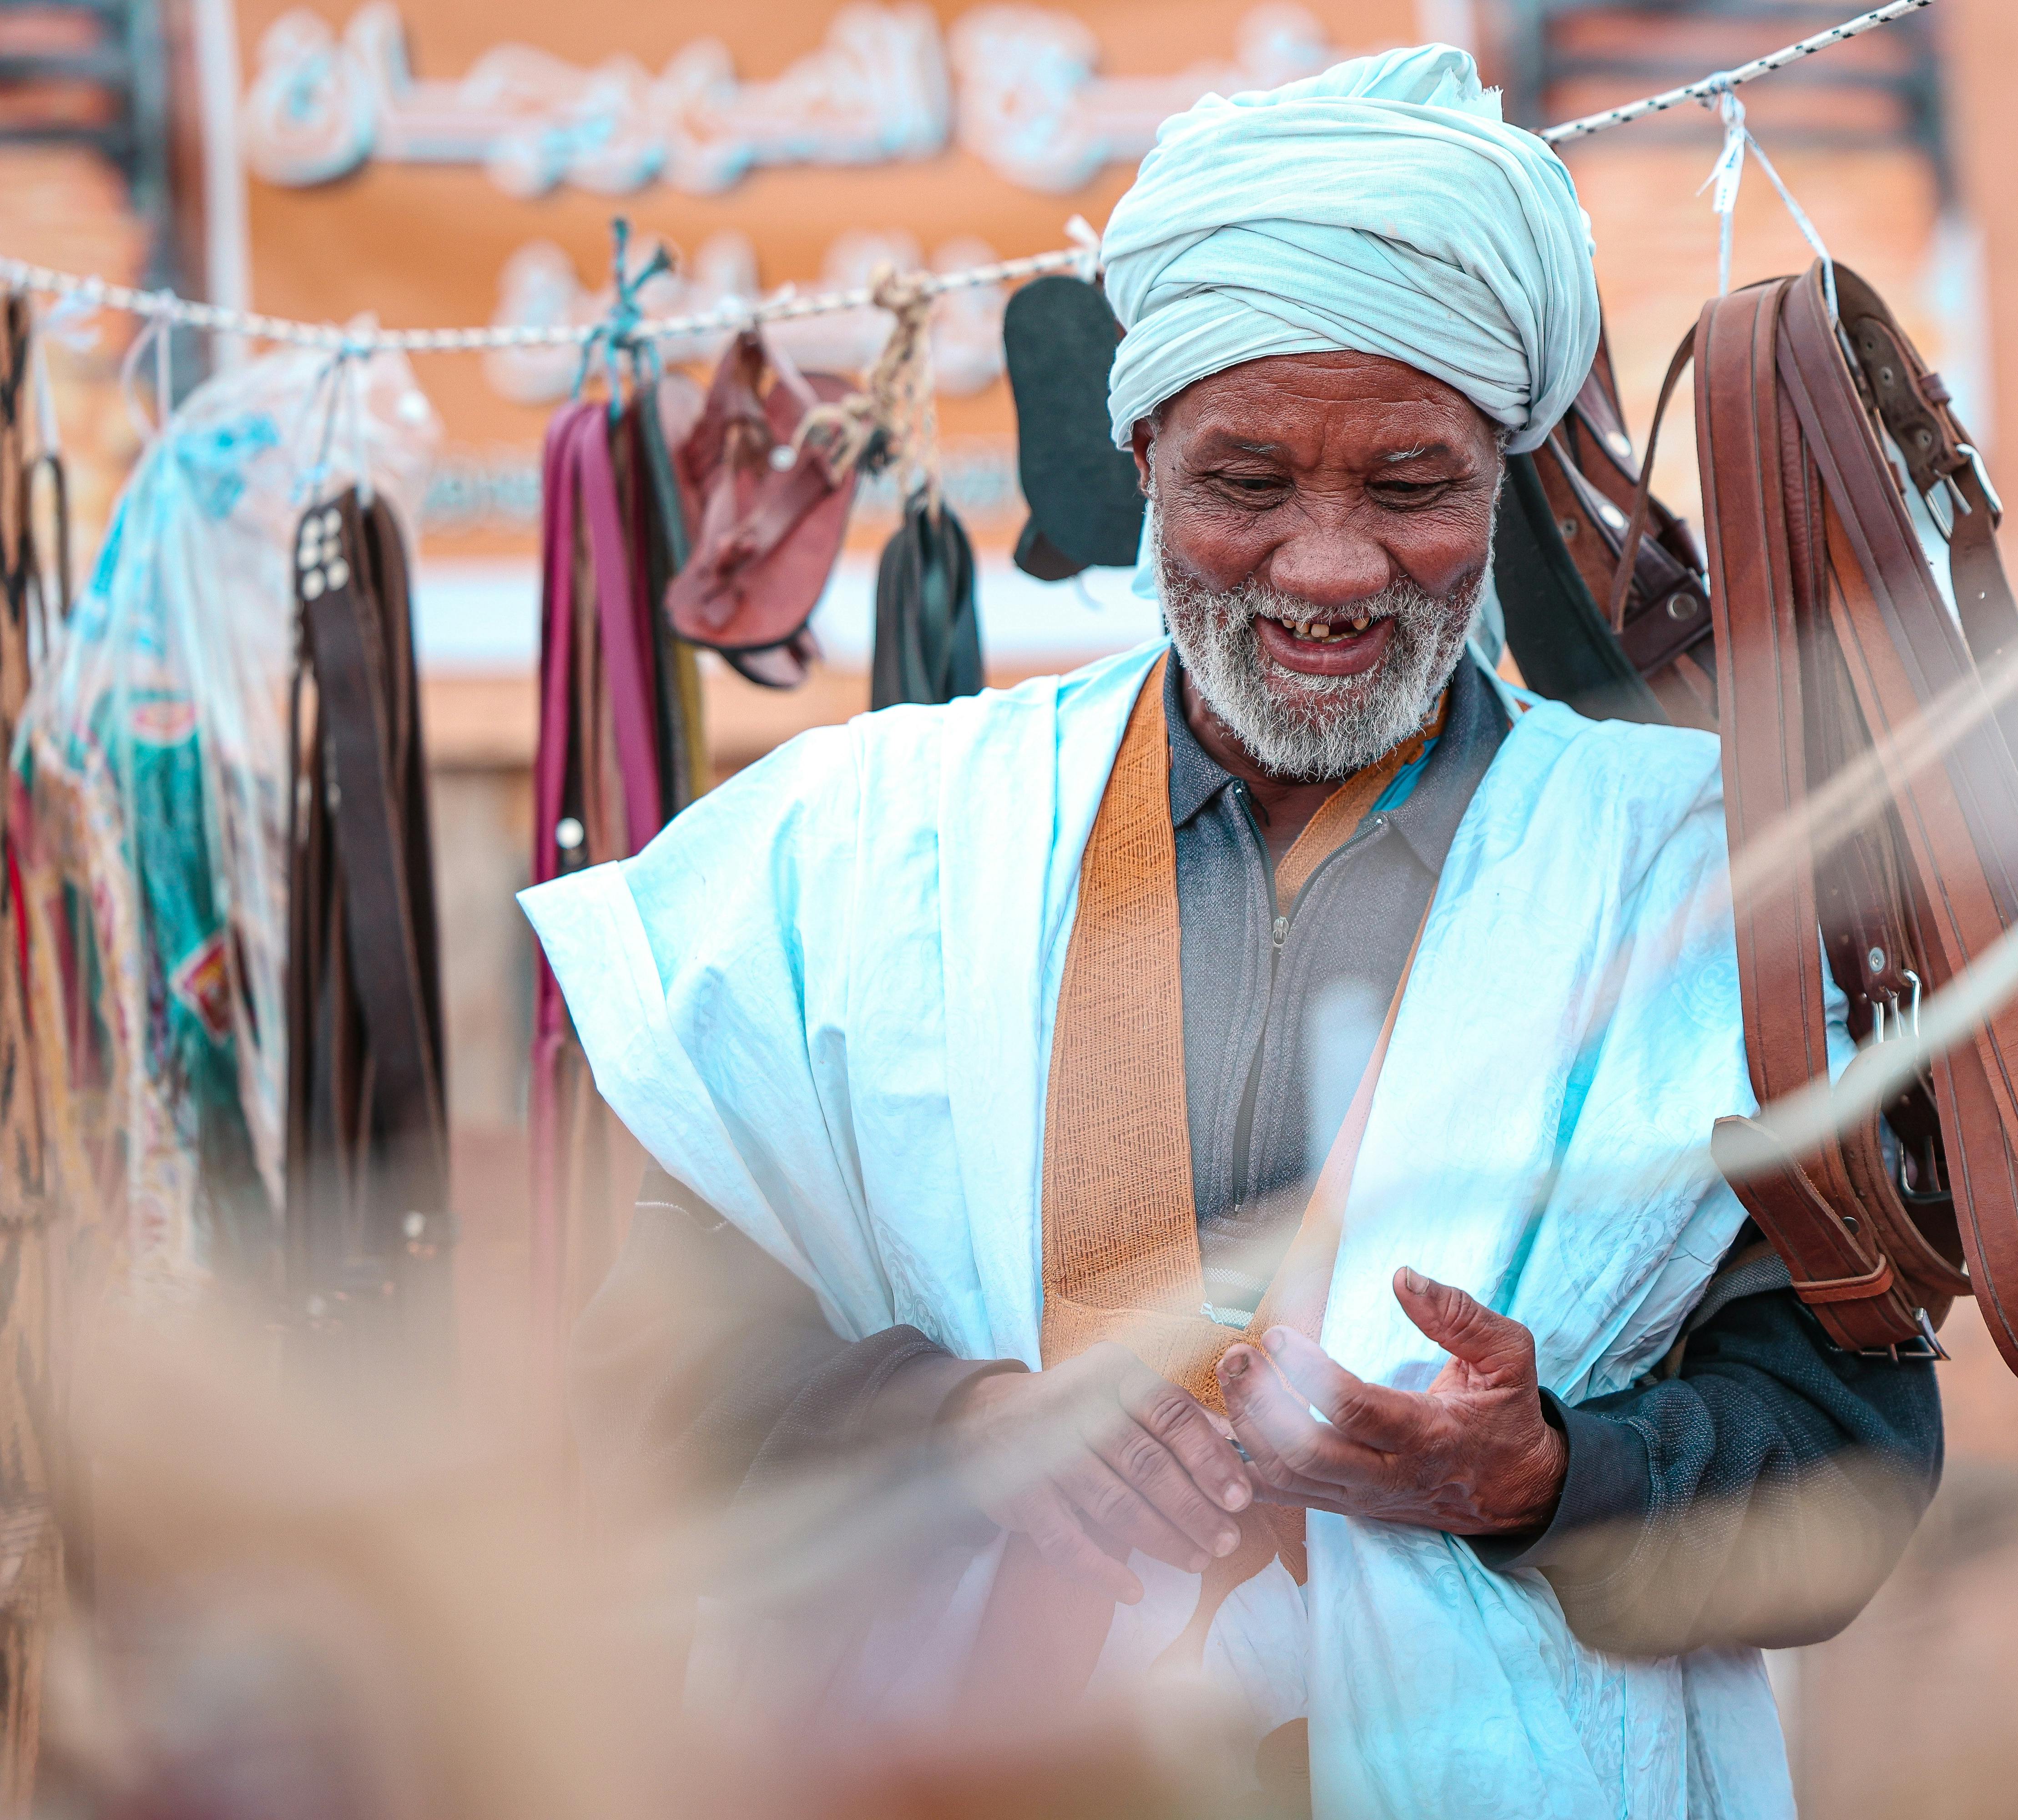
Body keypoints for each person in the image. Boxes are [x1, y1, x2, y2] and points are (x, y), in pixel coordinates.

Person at [525, 44, 1939, 1818]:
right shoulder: (870, 847)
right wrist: (958, 1426)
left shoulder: (1689, 881)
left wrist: (1547, 1474)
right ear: (1139, 458)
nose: (1330, 569)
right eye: (1247, 484)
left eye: (1412, 488)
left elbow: (1853, 1482)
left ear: (1501, 473)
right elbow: (642, 1380)